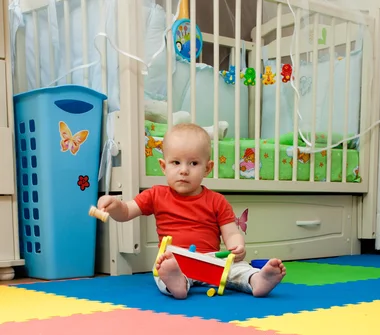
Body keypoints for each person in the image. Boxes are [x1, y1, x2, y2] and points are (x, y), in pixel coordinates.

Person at [97, 123, 286, 299]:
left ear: (207, 168)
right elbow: (127, 212)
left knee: (239, 269)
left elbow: (231, 232)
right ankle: (177, 283)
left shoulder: (217, 201)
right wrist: (115, 205)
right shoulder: (155, 194)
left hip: (212, 260)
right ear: (164, 166)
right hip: (177, 259)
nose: (184, 170)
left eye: (193, 163)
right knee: (164, 268)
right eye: (176, 163)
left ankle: (257, 280)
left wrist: (237, 247)